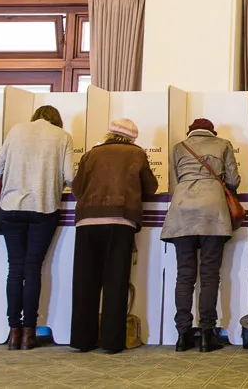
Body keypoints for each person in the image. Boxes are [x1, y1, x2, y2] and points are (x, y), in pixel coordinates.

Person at [70, 119, 158, 354]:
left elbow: (77, 189)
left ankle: (82, 340)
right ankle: (111, 341)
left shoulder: (91, 154)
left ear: (109, 133)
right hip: (120, 220)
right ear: (132, 137)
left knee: (84, 282)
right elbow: (151, 187)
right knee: (116, 282)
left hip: (87, 221)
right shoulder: (137, 154)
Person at [0, 105, 75, 351]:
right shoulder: (62, 137)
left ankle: (13, 332)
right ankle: (29, 332)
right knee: (33, 269)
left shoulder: (16, 130)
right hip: (44, 207)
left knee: (14, 269)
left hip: (10, 206)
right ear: (57, 120)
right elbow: (70, 176)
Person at [161, 118, 241, 353]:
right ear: (211, 132)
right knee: (209, 274)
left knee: (184, 275)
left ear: (191, 131)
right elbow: (233, 181)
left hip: (182, 209)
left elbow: (175, 180)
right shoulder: (223, 144)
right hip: (213, 211)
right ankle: (207, 334)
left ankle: (182, 335)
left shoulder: (179, 147)